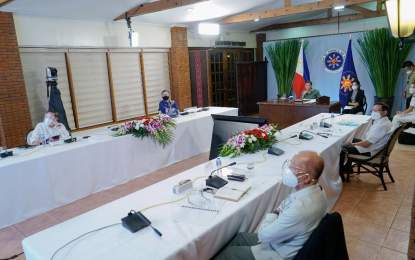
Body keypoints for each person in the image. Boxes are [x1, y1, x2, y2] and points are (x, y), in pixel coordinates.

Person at [215, 151, 327, 260]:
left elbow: (264, 235)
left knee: (230, 253)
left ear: (306, 178)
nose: (288, 170)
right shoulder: (316, 190)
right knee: (240, 237)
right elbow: (285, 203)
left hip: (278, 253)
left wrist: (275, 213)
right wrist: (278, 212)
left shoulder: (299, 210)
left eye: (294, 167)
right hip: (282, 240)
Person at [339, 102, 392, 177]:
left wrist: (354, 145)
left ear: (385, 112)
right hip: (374, 146)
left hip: (372, 150)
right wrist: (354, 143)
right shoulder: (384, 121)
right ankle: (347, 168)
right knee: (351, 139)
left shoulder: (381, 126)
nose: (374, 112)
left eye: (377, 110)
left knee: (343, 148)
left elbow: (367, 143)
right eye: (373, 110)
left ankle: (340, 173)